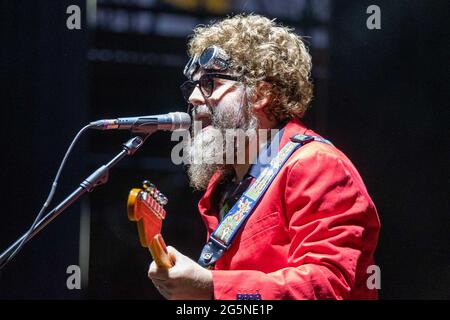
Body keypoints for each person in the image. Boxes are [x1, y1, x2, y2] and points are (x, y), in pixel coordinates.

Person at [148, 14, 380, 300]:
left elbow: (328, 286)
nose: (194, 98)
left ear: (260, 94)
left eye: (210, 83)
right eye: (193, 86)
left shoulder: (316, 164)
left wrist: (213, 287)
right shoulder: (223, 183)